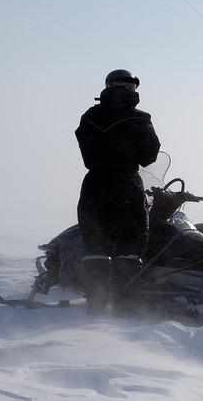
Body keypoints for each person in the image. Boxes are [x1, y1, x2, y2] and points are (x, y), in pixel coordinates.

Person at [75, 69, 161, 315]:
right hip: (126, 186)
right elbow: (149, 156)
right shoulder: (140, 118)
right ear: (131, 89)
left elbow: (87, 152)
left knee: (95, 250)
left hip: (93, 187)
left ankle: (95, 309)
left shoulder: (89, 117)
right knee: (129, 251)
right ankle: (126, 312)